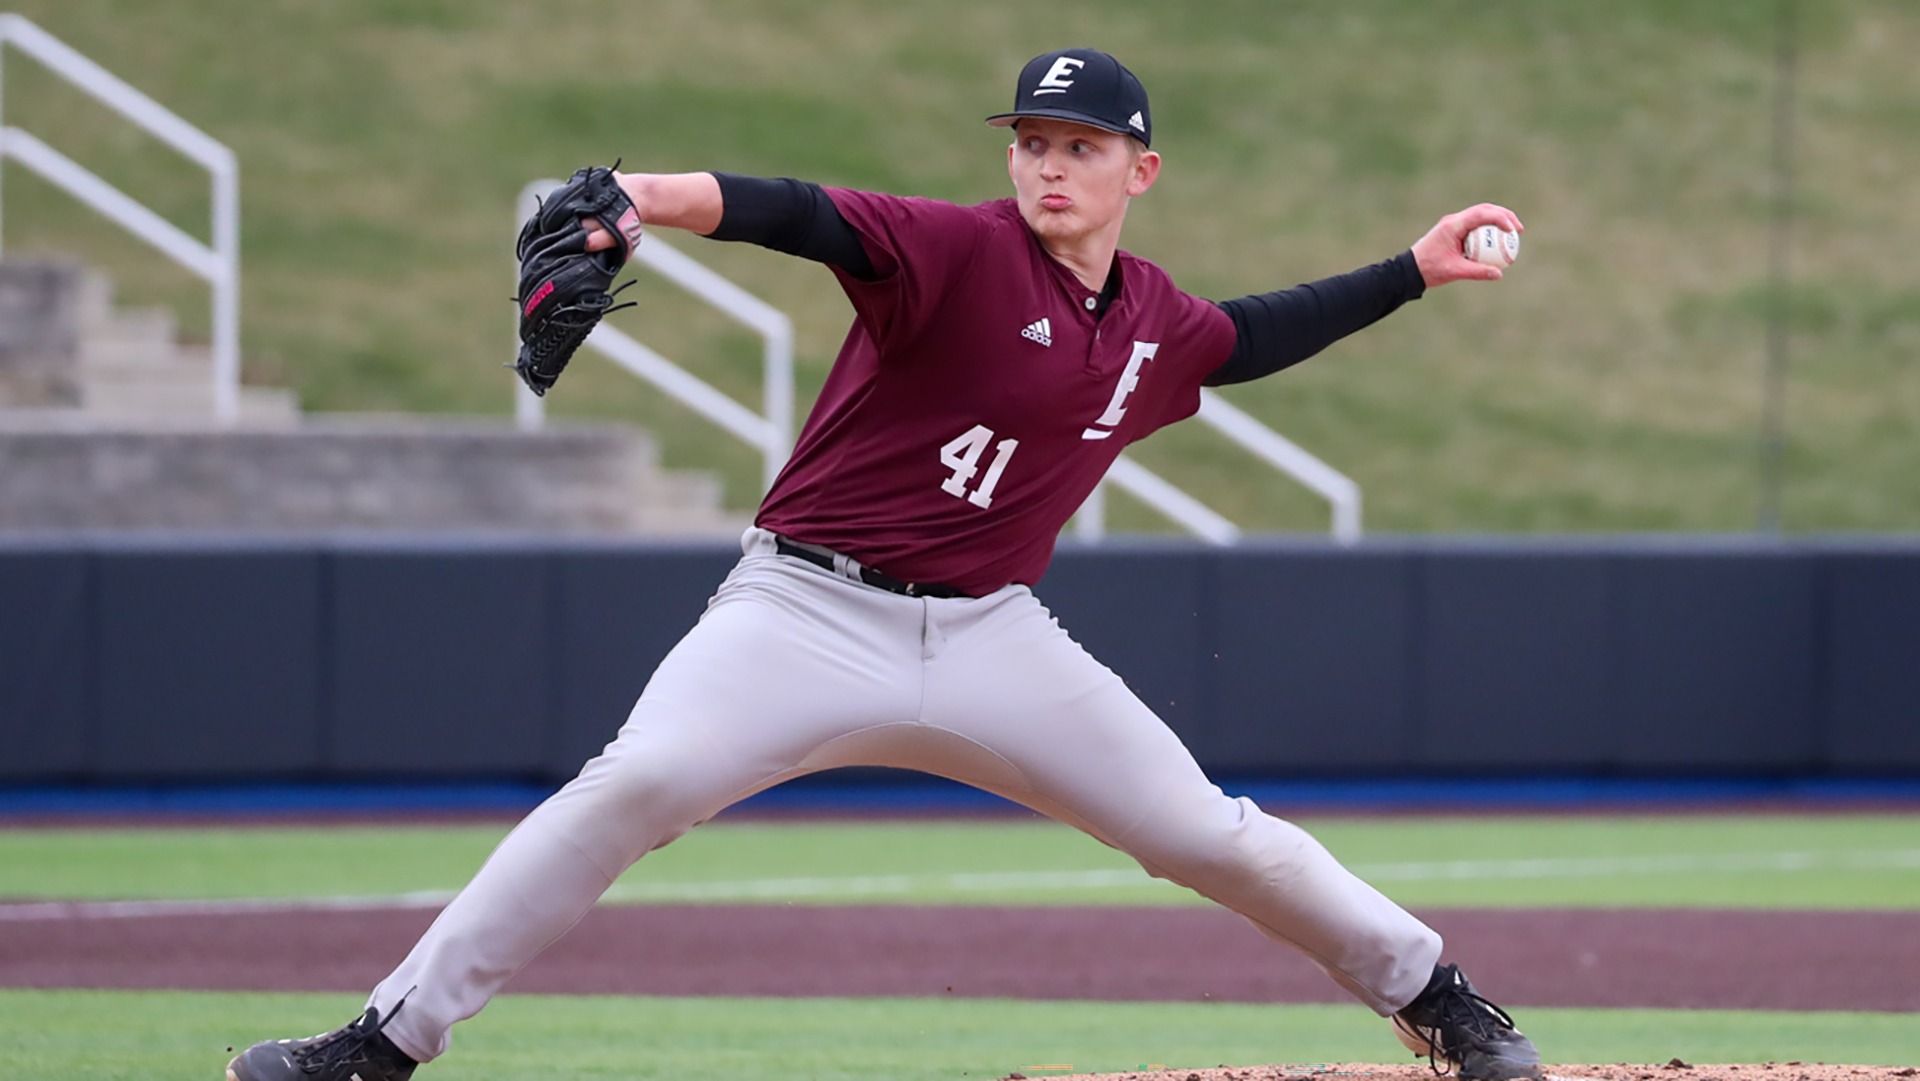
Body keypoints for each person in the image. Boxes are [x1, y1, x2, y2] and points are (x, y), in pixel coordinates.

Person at [226, 47, 1537, 1081]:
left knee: (1211, 834)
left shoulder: (1152, 322)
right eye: (1032, 141)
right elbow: (804, 215)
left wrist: (1412, 272)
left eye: (1081, 145)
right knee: (635, 784)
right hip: (801, 608)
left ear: (1143, 169)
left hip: (993, 636)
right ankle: (382, 1046)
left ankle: (1442, 1000)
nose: (1049, 166)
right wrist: (645, 202)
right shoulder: (960, 249)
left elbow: (1250, 335)